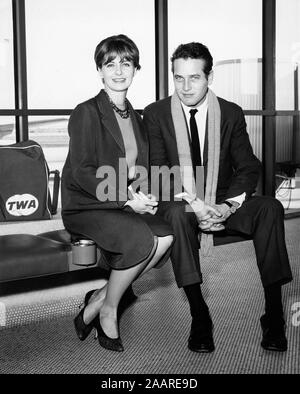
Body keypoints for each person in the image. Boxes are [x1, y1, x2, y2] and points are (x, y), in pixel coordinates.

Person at [143, 42, 293, 353]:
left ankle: (274, 315)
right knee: (175, 215)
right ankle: (200, 315)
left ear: (209, 77)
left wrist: (225, 206)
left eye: (194, 78)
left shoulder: (230, 113)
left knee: (270, 208)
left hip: (223, 198)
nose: (185, 87)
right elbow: (158, 170)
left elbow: (248, 165)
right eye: (179, 78)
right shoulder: (156, 114)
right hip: (182, 199)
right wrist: (196, 207)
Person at [61, 34, 174, 352]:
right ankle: (108, 309)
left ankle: (99, 297)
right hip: (86, 206)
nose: (119, 70)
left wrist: (145, 196)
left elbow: (140, 172)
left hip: (118, 203)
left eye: (126, 62)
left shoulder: (137, 120)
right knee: (140, 238)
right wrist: (126, 199)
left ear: (136, 69)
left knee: (166, 235)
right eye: (110, 63)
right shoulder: (86, 112)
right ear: (99, 70)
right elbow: (83, 171)